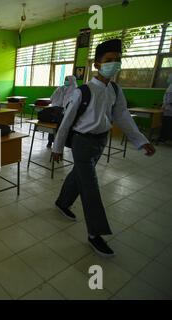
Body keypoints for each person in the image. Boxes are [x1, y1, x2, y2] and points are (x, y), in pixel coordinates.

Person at [51, 39, 156, 257]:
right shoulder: (83, 91)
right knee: (90, 186)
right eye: (109, 60)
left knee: (79, 175)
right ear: (97, 64)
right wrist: (57, 147)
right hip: (81, 142)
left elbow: (122, 116)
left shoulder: (115, 90)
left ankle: (62, 202)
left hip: (100, 141)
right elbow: (66, 122)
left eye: (117, 60)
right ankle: (95, 234)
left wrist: (140, 140)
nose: (114, 64)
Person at [47, 75, 78, 148]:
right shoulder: (61, 88)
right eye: (65, 79)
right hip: (57, 109)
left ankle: (60, 143)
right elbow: (52, 98)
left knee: (61, 127)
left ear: (72, 81)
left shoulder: (76, 90)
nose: (65, 81)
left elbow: (71, 102)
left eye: (67, 79)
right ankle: (50, 141)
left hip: (67, 111)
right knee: (53, 125)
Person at [158, 73, 172, 143]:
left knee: (166, 124)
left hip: (168, 110)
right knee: (168, 124)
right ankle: (166, 137)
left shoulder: (170, 88)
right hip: (168, 109)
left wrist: (163, 106)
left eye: (169, 78)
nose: (167, 80)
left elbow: (169, 100)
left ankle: (163, 138)